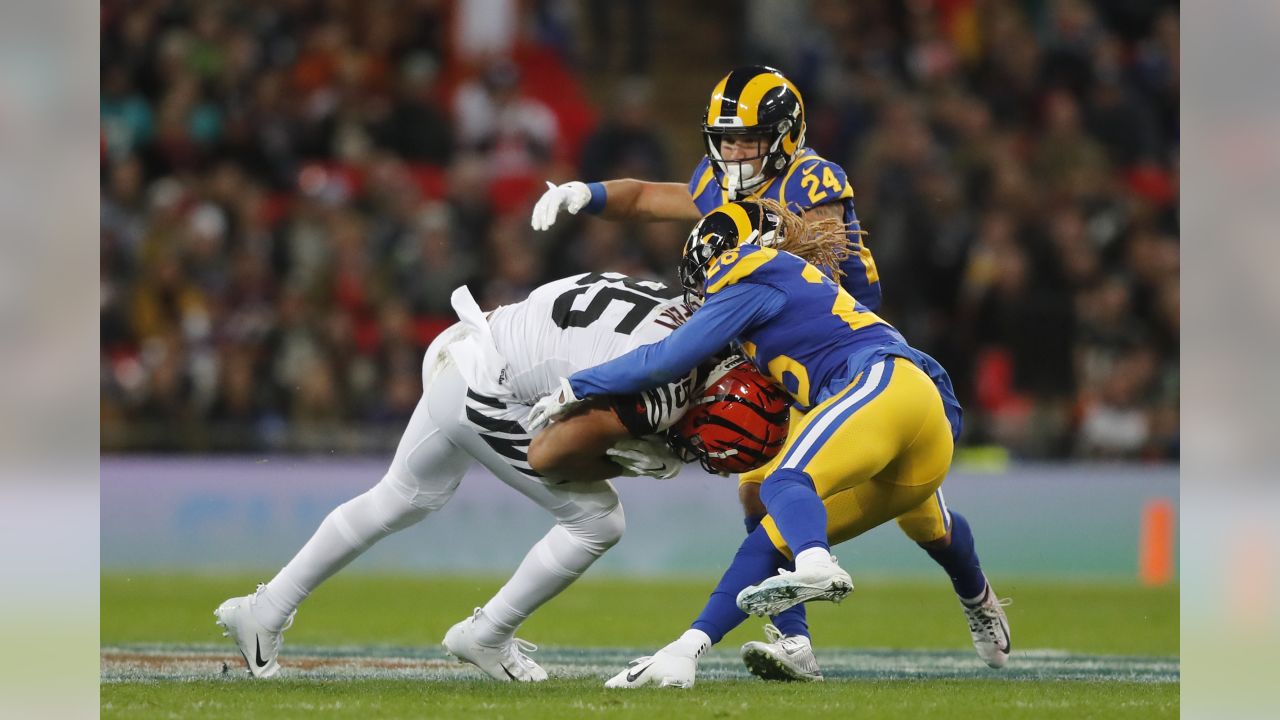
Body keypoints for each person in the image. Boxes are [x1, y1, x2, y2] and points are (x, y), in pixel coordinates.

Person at [528, 200, 1011, 688]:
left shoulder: (754, 275)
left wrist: (581, 384)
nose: (706, 284)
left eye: (708, 268)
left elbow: (666, 359)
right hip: (912, 426)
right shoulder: (789, 288)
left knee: (787, 483)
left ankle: (817, 563)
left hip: (885, 384)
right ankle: (688, 651)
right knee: (815, 527)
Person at [530, 65, 895, 678]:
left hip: (835, 349)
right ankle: (794, 639)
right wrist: (585, 193)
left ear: (784, 135)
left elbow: (822, 270)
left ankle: (959, 594)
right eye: (725, 138)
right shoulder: (722, 182)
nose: (733, 151)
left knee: (790, 486)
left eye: (747, 138)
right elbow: (647, 197)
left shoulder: (813, 178)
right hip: (777, 349)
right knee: (756, 485)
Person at [215, 272, 707, 681]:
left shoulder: (684, 309)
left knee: (401, 497)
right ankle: (488, 635)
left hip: (468, 342)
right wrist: (626, 459)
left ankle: (265, 610)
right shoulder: (673, 381)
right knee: (598, 521)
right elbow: (548, 457)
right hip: (486, 385)